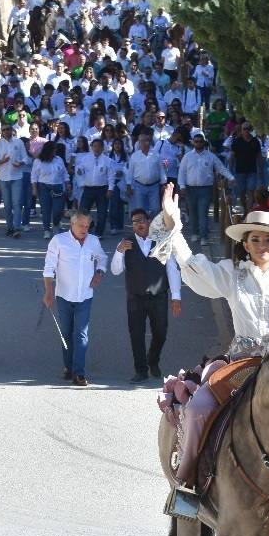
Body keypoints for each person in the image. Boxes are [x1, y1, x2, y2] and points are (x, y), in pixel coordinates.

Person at [153, 186, 269, 485]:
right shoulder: (232, 274)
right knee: (200, 407)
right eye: (256, 239)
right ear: (246, 242)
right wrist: (173, 226)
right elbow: (193, 268)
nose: (262, 245)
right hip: (241, 365)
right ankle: (189, 482)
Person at [111, 207, 182, 382]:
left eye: (141, 220)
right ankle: (141, 370)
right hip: (135, 297)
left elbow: (172, 269)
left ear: (149, 221)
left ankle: (153, 360)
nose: (138, 224)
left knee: (161, 332)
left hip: (158, 296)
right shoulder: (125, 243)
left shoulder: (161, 240)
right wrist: (119, 251)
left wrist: (176, 297)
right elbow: (115, 270)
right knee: (136, 334)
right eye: (134, 222)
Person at [42, 211, 107, 385]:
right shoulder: (59, 241)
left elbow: (102, 258)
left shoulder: (93, 241)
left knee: (81, 334)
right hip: (64, 295)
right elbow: (49, 268)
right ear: (72, 224)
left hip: (85, 296)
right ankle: (68, 367)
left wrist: (99, 273)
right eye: (81, 225)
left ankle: (79, 373)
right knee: (66, 333)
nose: (85, 229)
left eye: (87, 226)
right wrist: (48, 292)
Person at [177, 135, 233, 242]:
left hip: (206, 189)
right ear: (193, 142)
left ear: (204, 143)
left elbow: (221, 168)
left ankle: (203, 237)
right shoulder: (187, 156)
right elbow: (182, 172)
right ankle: (194, 233)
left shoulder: (211, 156)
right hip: (190, 189)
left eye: (200, 142)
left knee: (203, 213)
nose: (198, 143)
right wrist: (182, 186)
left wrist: (231, 177)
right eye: (196, 141)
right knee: (193, 213)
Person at [0, 125, 29, 237]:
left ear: (12, 131)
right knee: (7, 204)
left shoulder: (19, 142)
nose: (6, 131)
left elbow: (26, 158)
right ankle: (10, 227)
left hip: (17, 177)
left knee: (17, 203)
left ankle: (17, 227)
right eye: (4, 130)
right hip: (4, 178)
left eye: (8, 129)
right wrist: (2, 161)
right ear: (2, 132)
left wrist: (21, 163)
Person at [75, 137, 115, 234]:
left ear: (102, 148)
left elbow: (111, 176)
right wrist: (80, 173)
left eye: (99, 147)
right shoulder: (85, 159)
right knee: (83, 211)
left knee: (102, 213)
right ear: (92, 147)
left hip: (102, 189)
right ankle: (90, 225)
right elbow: (79, 170)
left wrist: (110, 189)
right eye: (95, 146)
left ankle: (99, 232)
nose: (97, 149)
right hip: (88, 189)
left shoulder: (108, 161)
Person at [32, 140, 70, 238]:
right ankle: (46, 230)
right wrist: (34, 189)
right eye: (53, 149)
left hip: (58, 186)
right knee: (46, 209)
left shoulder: (59, 159)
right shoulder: (38, 161)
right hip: (43, 186)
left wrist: (68, 184)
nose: (55, 151)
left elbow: (64, 174)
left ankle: (56, 225)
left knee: (58, 210)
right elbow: (34, 176)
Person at [126, 132, 166, 216]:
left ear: (149, 142)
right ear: (139, 143)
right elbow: (130, 172)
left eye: (145, 141)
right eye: (141, 141)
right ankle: (142, 227)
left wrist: (163, 184)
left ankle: (151, 225)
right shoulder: (134, 156)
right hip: (139, 186)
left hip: (154, 186)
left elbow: (161, 170)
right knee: (140, 209)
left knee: (156, 209)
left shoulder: (156, 155)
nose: (143, 143)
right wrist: (129, 186)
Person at [229, 122, 261, 210]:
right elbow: (232, 156)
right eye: (244, 129)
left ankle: (249, 212)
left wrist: (260, 170)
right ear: (241, 130)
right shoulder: (237, 141)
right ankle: (245, 209)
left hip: (252, 171)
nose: (246, 131)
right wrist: (230, 169)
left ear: (250, 130)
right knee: (241, 192)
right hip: (240, 171)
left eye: (248, 129)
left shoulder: (255, 141)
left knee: (251, 191)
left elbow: (259, 156)